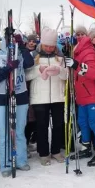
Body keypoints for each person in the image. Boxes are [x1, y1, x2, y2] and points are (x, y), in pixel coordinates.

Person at [0, 27, 35, 177]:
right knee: (4, 133)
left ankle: (21, 160)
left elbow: (29, 63)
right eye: (10, 40)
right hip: (1, 98)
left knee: (19, 131)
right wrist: (8, 68)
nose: (12, 43)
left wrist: (22, 46)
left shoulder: (21, 53)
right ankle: (6, 164)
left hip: (20, 95)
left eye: (14, 41)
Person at [25, 29, 67, 165]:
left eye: (51, 46)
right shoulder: (32, 56)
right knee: (41, 125)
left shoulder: (60, 57)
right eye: (46, 45)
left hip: (58, 96)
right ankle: (43, 153)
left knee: (58, 125)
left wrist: (59, 71)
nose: (49, 48)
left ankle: (55, 151)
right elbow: (26, 75)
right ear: (42, 44)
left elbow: (67, 76)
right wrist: (39, 70)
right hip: (39, 97)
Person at [65, 30, 95, 167]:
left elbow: (94, 74)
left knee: (94, 122)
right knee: (82, 122)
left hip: (92, 94)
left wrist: (76, 65)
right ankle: (86, 147)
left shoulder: (89, 52)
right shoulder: (78, 51)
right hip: (81, 93)